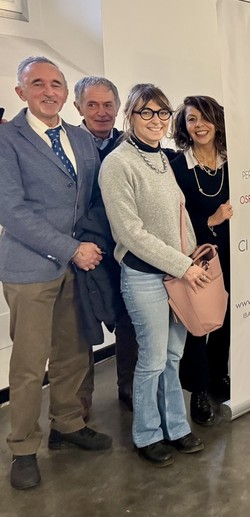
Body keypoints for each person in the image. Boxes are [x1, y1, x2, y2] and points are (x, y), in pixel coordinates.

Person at [0, 56, 112, 491]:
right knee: (29, 364)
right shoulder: (7, 140)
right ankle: (23, 448)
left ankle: (67, 425)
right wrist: (71, 249)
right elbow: (12, 210)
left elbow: (89, 201)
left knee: (74, 352)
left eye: (57, 84)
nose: (49, 91)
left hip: (78, 268)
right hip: (31, 268)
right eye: (38, 83)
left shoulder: (81, 140)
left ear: (68, 93)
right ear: (20, 91)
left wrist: (90, 245)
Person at [100, 84, 205, 467]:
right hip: (145, 277)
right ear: (130, 115)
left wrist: (192, 258)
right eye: (147, 113)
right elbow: (130, 233)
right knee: (153, 360)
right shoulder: (118, 163)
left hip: (178, 274)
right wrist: (183, 265)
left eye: (163, 113)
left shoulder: (163, 158)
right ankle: (146, 434)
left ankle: (176, 427)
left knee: (174, 356)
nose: (157, 120)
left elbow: (179, 218)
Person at [73, 76, 138, 416]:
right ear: (78, 107)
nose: (101, 112)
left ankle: (127, 387)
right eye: (92, 105)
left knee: (128, 319)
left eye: (108, 105)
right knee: (80, 327)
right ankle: (78, 406)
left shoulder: (129, 144)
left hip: (123, 250)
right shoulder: (67, 144)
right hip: (79, 250)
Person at [170, 95, 232, 426]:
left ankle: (219, 375)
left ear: (217, 122)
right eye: (192, 119)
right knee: (199, 324)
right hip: (199, 257)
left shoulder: (232, 161)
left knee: (227, 317)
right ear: (184, 125)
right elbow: (174, 219)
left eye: (205, 118)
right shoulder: (178, 167)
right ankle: (198, 390)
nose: (199, 125)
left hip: (235, 252)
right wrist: (211, 220)